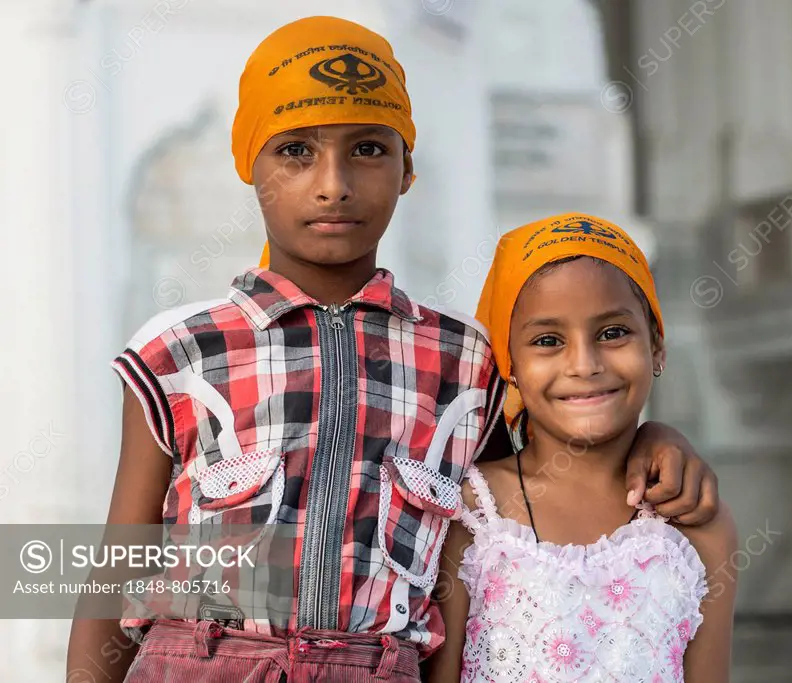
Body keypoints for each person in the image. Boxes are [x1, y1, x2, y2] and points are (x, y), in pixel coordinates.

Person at [66, 17, 721, 683]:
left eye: (369, 150)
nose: (333, 184)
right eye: (295, 151)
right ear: (248, 161)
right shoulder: (180, 351)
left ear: (408, 167)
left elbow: (536, 495)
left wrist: (655, 438)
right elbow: (119, 561)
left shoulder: (466, 363)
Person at [427, 214, 739, 682]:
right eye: (548, 341)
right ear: (509, 363)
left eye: (613, 333)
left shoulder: (695, 523)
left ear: (657, 345)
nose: (585, 364)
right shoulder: (471, 513)